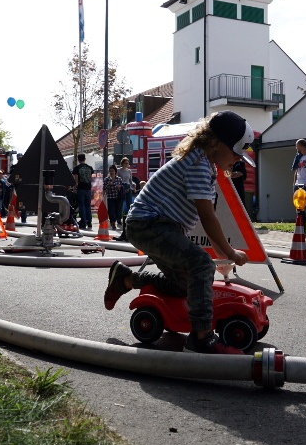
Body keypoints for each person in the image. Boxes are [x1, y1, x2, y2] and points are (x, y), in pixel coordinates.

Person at [103, 110, 253, 354]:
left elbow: (207, 219)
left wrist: (222, 254)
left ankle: (126, 279)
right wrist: (230, 252)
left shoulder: (205, 163)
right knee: (202, 265)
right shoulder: (198, 164)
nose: (238, 158)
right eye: (236, 152)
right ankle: (202, 337)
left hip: (157, 225)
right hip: (149, 224)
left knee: (185, 286)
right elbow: (207, 216)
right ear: (216, 143)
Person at [72, 154, 94, 229]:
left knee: (81, 205)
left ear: (78, 160)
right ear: (85, 159)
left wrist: (75, 188)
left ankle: (83, 222)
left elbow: (76, 180)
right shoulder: (89, 168)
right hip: (88, 188)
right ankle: (89, 222)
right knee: (88, 205)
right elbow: (90, 179)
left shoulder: (77, 168)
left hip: (81, 188)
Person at [103, 164, 123, 230]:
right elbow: (104, 188)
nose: (111, 172)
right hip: (110, 197)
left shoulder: (119, 179)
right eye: (110, 171)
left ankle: (118, 220)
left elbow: (120, 187)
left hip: (118, 197)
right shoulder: (106, 179)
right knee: (111, 211)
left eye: (113, 171)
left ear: (115, 172)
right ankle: (113, 222)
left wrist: (118, 187)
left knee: (118, 211)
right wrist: (108, 185)